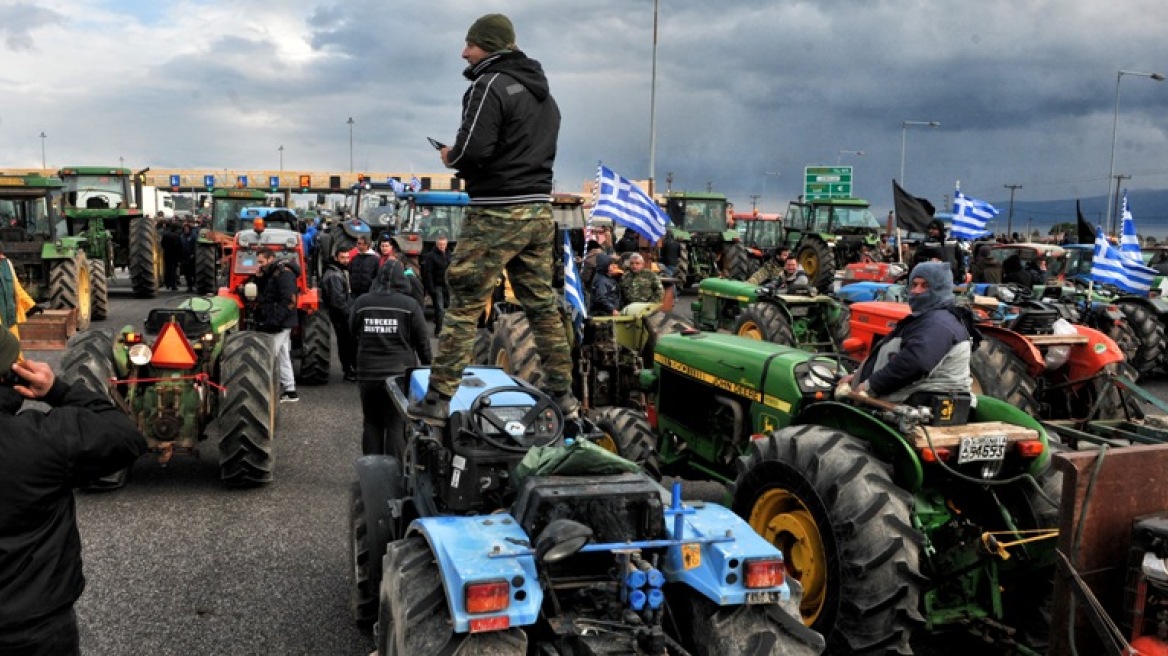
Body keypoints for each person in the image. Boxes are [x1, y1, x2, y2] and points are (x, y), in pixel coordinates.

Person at [409, 13, 578, 425]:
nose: (464, 52)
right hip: (539, 212)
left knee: (464, 303)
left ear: (489, 45)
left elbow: (473, 152)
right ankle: (565, 396)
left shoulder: (488, 86)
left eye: (470, 44)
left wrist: (451, 156)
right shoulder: (546, 97)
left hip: (497, 211)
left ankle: (437, 401)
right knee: (542, 308)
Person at [0, 329, 147, 656]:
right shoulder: (45, 439)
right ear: (10, 374)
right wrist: (59, 390)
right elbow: (126, 437)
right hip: (35, 629)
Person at [848, 261, 978, 402]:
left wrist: (871, 386)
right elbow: (896, 357)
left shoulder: (938, 323)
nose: (916, 291)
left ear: (940, 289)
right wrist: (857, 376)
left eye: (925, 286)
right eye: (914, 285)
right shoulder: (928, 319)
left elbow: (914, 363)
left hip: (915, 403)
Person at [349, 260, 432, 458]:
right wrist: (428, 366)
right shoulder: (409, 305)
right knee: (396, 424)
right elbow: (422, 340)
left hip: (368, 373)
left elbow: (352, 331)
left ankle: (371, 474)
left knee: (371, 422)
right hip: (398, 374)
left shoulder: (362, 302)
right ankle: (394, 475)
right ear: (402, 280)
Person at [251, 249, 300, 402]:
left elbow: (289, 300)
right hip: (280, 320)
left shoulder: (284, 274)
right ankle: (290, 390)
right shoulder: (272, 273)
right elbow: (269, 293)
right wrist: (258, 279)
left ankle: (264, 392)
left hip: (281, 321)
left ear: (271, 258)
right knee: (283, 353)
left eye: (261, 262)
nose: (259, 265)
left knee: (268, 354)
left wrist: (275, 321)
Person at [320, 249, 357, 382]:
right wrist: (349, 315)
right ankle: (349, 370)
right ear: (336, 258)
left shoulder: (339, 271)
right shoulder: (334, 275)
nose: (346, 260)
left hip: (343, 313)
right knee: (346, 343)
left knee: (347, 343)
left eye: (347, 257)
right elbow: (338, 300)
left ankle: (350, 368)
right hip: (341, 316)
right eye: (343, 258)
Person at [0, 242, 38, 338]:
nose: (2, 257)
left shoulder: (7, 264)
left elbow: (16, 288)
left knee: (13, 345)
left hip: (8, 315)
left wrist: (31, 305)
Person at [422, 233, 452, 336]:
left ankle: (448, 329)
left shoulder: (449, 254)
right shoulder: (431, 256)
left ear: (446, 244)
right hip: (437, 285)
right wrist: (431, 288)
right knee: (439, 309)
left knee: (448, 307)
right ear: (436, 244)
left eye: (443, 245)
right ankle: (438, 331)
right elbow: (428, 273)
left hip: (447, 285)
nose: (441, 247)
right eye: (440, 245)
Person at [161, 220, 182, 291]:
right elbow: (179, 246)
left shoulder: (165, 235)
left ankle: (167, 284)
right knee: (174, 270)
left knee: (168, 270)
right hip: (174, 255)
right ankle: (173, 285)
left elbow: (162, 244)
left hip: (167, 254)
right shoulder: (176, 236)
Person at [179, 222, 198, 292]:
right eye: (184, 229)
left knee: (193, 272)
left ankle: (195, 284)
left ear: (189, 229)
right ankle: (189, 286)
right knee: (186, 273)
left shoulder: (193, 236)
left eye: (187, 229)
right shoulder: (182, 236)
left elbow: (195, 246)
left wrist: (193, 254)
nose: (186, 230)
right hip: (184, 257)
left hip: (192, 257)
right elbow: (180, 246)